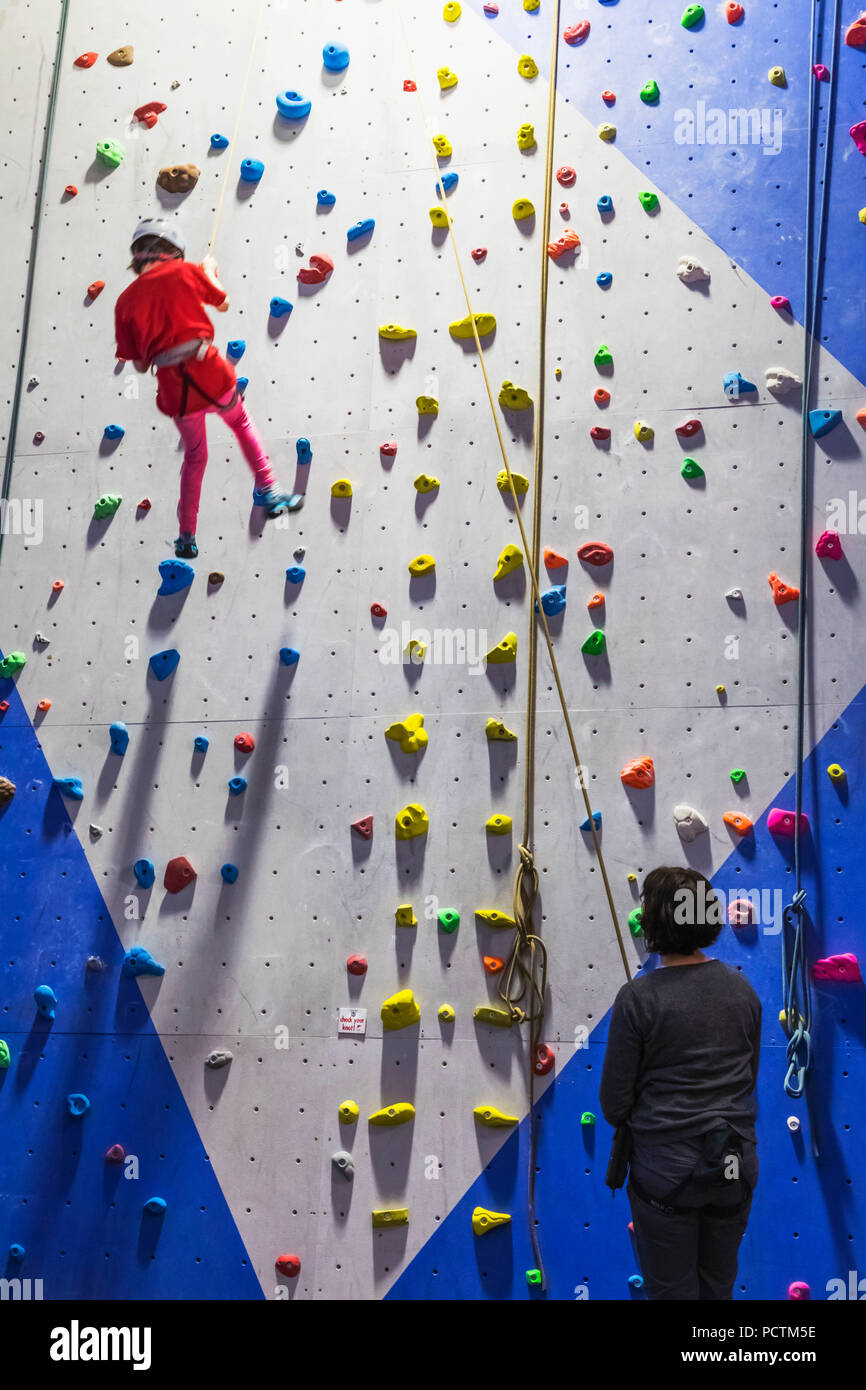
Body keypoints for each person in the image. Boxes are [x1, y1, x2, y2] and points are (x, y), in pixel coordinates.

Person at [599, 865, 761, 1300]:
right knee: (718, 1290)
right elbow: (746, 1082)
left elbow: (614, 1105)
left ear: (654, 923)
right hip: (733, 1167)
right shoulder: (743, 991)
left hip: (668, 1175)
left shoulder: (638, 999)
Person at [114, 217, 302, 558]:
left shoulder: (124, 303)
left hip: (175, 390)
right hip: (211, 374)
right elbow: (223, 302)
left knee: (196, 456)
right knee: (240, 423)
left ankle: (186, 535)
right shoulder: (186, 272)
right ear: (174, 252)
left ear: (137, 258)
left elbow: (140, 365)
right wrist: (210, 270)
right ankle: (269, 490)